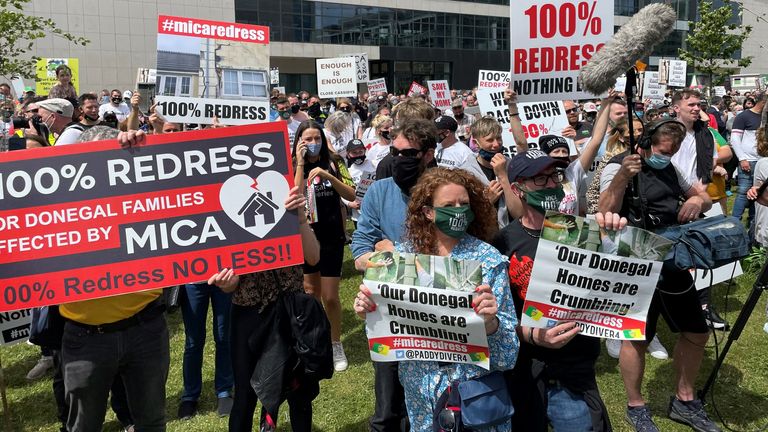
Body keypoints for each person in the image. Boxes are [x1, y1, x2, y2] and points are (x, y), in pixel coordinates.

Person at [354, 167, 518, 432]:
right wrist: (369, 311)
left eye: (464, 204)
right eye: (448, 205)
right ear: (428, 212)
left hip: (475, 399)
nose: (458, 211)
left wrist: (491, 324)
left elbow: (508, 355)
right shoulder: (403, 260)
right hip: (421, 395)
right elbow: (388, 334)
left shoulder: (488, 261)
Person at [598, 120, 718, 432]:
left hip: (671, 259)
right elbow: (604, 208)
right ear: (647, 141)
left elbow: (703, 196)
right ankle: (636, 405)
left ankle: (685, 399)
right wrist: (624, 176)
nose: (666, 156)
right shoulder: (617, 166)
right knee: (636, 336)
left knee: (696, 331)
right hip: (635, 262)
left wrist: (695, 199)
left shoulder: (671, 168)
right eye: (662, 150)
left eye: (673, 151)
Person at [492, 149, 612, 431]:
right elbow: (498, 319)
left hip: (574, 370)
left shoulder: (585, 234)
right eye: (539, 179)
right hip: (525, 370)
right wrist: (534, 335)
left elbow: (616, 289)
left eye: (554, 177)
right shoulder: (504, 244)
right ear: (517, 189)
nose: (550, 184)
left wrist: (616, 238)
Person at [60, 127, 167, 431]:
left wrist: (141, 146)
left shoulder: (141, 187)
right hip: (84, 337)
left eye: (110, 155)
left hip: (145, 328)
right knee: (83, 424)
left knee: (152, 421)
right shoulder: (60, 199)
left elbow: (178, 175)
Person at [206, 185, 327, 432]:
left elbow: (313, 257)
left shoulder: (285, 192)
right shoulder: (224, 206)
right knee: (246, 396)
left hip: (291, 314)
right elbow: (228, 280)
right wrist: (227, 284)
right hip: (249, 315)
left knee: (299, 391)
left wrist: (300, 218)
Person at [352, 117, 438, 432]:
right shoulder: (378, 192)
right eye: (395, 152)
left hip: (435, 311)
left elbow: (453, 249)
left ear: (428, 154)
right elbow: (360, 250)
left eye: (409, 154)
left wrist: (395, 248)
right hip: (389, 311)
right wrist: (383, 256)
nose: (399, 160)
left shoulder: (447, 191)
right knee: (387, 406)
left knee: (433, 400)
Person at [293, 120, 356, 372]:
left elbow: (351, 194)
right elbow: (294, 195)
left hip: (331, 234)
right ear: (299, 141)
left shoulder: (334, 161)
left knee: (330, 296)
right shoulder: (291, 164)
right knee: (311, 293)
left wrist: (328, 175)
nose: (312, 144)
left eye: (316, 138)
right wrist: (299, 164)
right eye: (307, 139)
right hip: (306, 236)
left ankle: (335, 342)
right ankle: (316, 339)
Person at [731, 91, 766, 228]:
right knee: (743, 192)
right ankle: (734, 222)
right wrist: (742, 158)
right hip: (748, 160)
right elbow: (735, 139)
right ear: (763, 102)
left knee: (758, 193)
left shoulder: (765, 118)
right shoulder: (744, 116)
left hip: (762, 162)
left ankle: (752, 221)